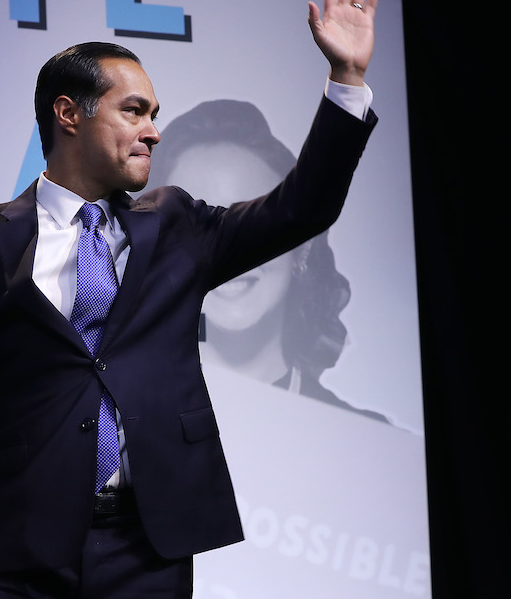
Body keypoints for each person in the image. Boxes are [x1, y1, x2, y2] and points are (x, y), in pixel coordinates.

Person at [0, 0, 378, 598]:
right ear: (69, 113)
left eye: (155, 113)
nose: (153, 129)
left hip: (147, 549)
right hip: (12, 549)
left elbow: (302, 207)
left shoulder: (176, 225)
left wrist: (345, 81)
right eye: (134, 111)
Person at [146, 99, 388, 423]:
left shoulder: (366, 438)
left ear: (300, 248)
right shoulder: (108, 432)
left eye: (252, 220)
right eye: (198, 225)